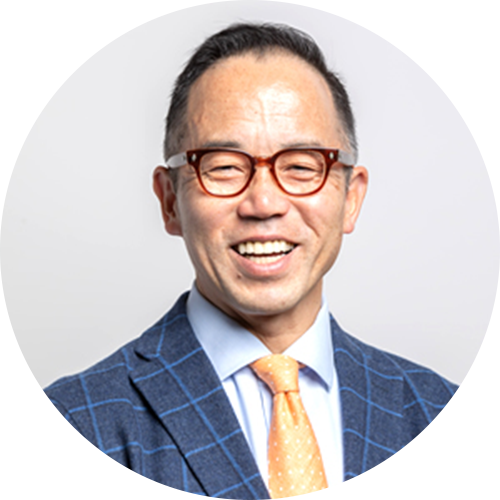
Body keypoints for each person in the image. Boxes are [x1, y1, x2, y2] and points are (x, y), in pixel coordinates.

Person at [1, 22, 498, 500]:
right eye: (223, 167)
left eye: (301, 166)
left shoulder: (448, 423)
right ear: (169, 200)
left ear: (351, 198)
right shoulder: (76, 428)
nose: (264, 203)